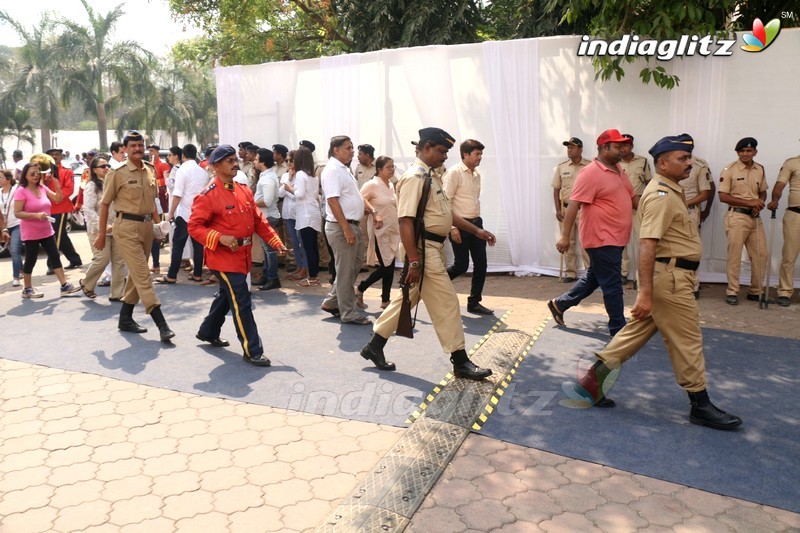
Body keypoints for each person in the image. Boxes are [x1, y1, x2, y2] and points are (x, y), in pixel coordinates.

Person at [564, 134, 742, 431]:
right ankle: (700, 404)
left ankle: (590, 385)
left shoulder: (670, 191)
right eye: (682, 159)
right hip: (671, 280)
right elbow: (647, 245)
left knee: (633, 334)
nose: (689, 163)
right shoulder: (660, 195)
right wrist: (644, 293)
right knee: (688, 342)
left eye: (689, 158)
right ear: (662, 163)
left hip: (671, 278)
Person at [360, 127, 496, 379]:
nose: (445, 156)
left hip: (429, 248)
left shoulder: (431, 176)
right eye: (442, 151)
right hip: (423, 251)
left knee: (405, 299)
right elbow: (405, 221)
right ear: (426, 148)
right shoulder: (415, 177)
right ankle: (460, 361)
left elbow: (446, 213)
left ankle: (374, 346)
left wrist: (476, 231)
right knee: (447, 303)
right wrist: (413, 261)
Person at [188, 145, 287, 366]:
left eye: (235, 159)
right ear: (215, 166)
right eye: (228, 161)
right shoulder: (207, 195)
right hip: (222, 258)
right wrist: (219, 237)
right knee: (241, 300)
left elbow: (259, 220)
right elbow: (194, 227)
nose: (234, 164)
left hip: (242, 255)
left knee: (228, 294)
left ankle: (208, 331)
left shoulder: (243, 190)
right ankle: (252, 349)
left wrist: (275, 241)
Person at [548, 129, 636, 338]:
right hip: (601, 238)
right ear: (604, 147)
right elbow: (573, 205)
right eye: (617, 146)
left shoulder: (619, 170)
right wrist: (564, 236)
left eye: (623, 145)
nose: (622, 149)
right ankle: (618, 329)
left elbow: (633, 199)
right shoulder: (590, 173)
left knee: (595, 277)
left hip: (617, 237)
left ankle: (559, 305)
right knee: (613, 284)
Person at [96, 130, 174, 342]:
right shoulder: (117, 173)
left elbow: (153, 203)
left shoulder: (149, 170)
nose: (138, 149)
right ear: (125, 149)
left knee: (136, 276)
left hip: (147, 227)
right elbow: (104, 205)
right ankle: (162, 324)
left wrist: (159, 227)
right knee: (143, 274)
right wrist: (101, 234)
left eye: (140, 145)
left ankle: (125, 318)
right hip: (126, 228)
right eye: (133, 146)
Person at [320, 135, 371, 325]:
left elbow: (347, 197)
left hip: (351, 225)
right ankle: (348, 313)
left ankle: (332, 301)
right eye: (348, 148)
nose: (352, 151)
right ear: (336, 150)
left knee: (353, 267)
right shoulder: (333, 170)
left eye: (352, 148)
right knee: (345, 271)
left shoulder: (343, 169)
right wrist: (346, 229)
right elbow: (332, 201)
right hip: (343, 227)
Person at [13, 158, 81, 298]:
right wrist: (36, 215)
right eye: (32, 173)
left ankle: (64, 285)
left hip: (46, 230)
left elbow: (57, 199)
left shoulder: (42, 188)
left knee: (55, 255)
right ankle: (27, 289)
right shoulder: (21, 191)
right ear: (25, 175)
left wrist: (56, 184)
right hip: (31, 232)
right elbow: (17, 213)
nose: (36, 176)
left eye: (38, 173)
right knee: (31, 259)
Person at [443, 138, 495, 315]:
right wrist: (453, 228)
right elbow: (446, 202)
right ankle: (433, 288)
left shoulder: (476, 174)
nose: (480, 157)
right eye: (477, 154)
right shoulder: (453, 173)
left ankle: (474, 302)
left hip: (476, 222)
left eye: (481, 154)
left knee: (481, 264)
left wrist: (480, 227)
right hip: (459, 225)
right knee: (461, 265)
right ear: (465, 154)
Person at [718, 137, 768, 305]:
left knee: (761, 255)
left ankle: (756, 291)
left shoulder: (760, 169)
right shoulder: (729, 170)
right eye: (742, 151)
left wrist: (759, 203)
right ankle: (732, 291)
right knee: (735, 256)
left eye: (749, 151)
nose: (745, 154)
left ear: (755, 152)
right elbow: (723, 196)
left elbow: (763, 191)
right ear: (738, 153)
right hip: (737, 217)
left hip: (755, 218)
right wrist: (749, 202)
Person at [157, 144, 208, 284]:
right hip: (199, 213)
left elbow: (177, 194)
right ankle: (198, 273)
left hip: (185, 213)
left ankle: (172, 275)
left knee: (178, 245)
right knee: (198, 245)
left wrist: (170, 214)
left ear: (183, 155)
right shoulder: (202, 171)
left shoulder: (182, 170)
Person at [356, 156, 399, 310]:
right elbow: (360, 199)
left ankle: (383, 299)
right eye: (389, 167)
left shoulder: (391, 186)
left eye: (393, 166)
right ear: (379, 170)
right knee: (387, 265)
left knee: (389, 265)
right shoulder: (372, 184)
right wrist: (374, 212)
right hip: (379, 230)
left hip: (392, 230)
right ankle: (363, 289)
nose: (392, 169)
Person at [79, 157, 125, 301]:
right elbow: (88, 210)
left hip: (116, 226)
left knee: (119, 260)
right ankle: (86, 283)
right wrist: (103, 227)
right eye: (102, 166)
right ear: (94, 169)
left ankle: (117, 293)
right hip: (98, 230)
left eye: (107, 165)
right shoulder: (91, 186)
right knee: (102, 259)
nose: (106, 168)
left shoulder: (112, 182)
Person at [552, 137, 591, 283]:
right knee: (567, 240)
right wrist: (557, 209)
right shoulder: (562, 167)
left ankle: (589, 272)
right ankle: (570, 272)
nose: (569, 150)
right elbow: (556, 189)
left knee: (586, 242)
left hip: (584, 209)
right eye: (568, 147)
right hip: (566, 209)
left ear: (580, 149)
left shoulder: (589, 166)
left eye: (572, 147)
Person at [681, 138, 713, 298]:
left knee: (692, 250)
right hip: (670, 212)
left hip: (690, 212)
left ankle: (693, 286)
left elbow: (706, 192)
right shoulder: (670, 164)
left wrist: (684, 204)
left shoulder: (699, 166)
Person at [768, 147, 800, 307]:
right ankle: (785, 292)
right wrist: (775, 200)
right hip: (795, 215)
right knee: (789, 256)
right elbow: (780, 184)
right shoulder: (792, 163)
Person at [618, 134, 652, 283]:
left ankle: (640, 275)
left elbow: (649, 183)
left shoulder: (643, 161)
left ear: (631, 146)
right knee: (621, 241)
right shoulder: (615, 163)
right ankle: (623, 273)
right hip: (620, 207)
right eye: (620, 145)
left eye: (626, 145)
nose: (623, 148)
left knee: (640, 241)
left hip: (638, 207)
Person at [43, 147, 83, 272]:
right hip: (47, 208)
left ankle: (52, 264)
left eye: (57, 154)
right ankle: (75, 259)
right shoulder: (43, 172)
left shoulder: (67, 171)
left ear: (62, 157)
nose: (54, 157)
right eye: (51, 155)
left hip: (61, 207)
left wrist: (56, 198)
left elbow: (69, 189)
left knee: (55, 236)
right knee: (62, 236)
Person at [292, 146, 322, 288]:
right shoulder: (313, 175)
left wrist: (290, 188)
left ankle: (313, 277)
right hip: (313, 211)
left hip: (305, 213)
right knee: (313, 246)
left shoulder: (300, 175)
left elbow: (300, 194)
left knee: (308, 246)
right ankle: (314, 275)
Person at [253, 147, 282, 290]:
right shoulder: (266, 176)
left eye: (256, 159)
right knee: (266, 249)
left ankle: (272, 277)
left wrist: (250, 203)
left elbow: (268, 201)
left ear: (262, 162)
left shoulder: (269, 178)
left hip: (268, 216)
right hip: (264, 216)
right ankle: (267, 275)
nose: (254, 161)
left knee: (269, 250)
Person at [279, 152, 308, 281]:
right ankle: (299, 266)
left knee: (303, 241)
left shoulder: (302, 176)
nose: (289, 163)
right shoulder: (285, 175)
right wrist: (289, 181)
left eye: (292, 160)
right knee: (294, 242)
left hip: (300, 212)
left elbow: (297, 195)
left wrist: (289, 189)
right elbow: (280, 194)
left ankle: (305, 268)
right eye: (287, 160)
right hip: (288, 213)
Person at [1, 169, 23, 286]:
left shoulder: (16, 190)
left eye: (1, 177)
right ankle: (21, 269)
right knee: (13, 251)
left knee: (15, 250)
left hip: (17, 223)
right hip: (4, 226)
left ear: (8, 179)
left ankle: (16, 276)